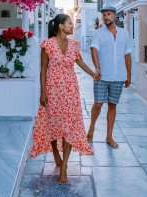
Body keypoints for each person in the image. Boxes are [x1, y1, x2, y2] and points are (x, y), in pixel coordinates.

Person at [29, 14, 96, 184]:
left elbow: (80, 63)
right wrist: (42, 93)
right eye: (69, 23)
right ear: (60, 26)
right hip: (52, 91)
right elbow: (43, 69)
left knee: (69, 128)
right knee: (52, 123)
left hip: (71, 91)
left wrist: (93, 74)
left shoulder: (74, 45)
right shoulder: (48, 44)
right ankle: (55, 154)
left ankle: (64, 167)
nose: (72, 26)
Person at [87, 6, 132, 148]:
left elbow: (127, 55)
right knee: (98, 104)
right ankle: (91, 128)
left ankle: (109, 136)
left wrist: (128, 75)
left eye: (108, 14)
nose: (106, 17)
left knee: (113, 105)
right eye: (104, 15)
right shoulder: (98, 33)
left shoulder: (124, 34)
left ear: (115, 16)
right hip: (102, 76)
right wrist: (97, 68)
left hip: (118, 76)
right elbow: (94, 50)